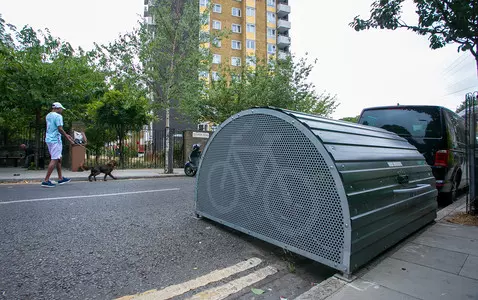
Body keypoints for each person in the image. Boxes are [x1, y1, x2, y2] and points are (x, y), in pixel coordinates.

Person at [41, 102, 75, 188]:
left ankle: (60, 178)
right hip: (55, 140)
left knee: (58, 158)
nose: (62, 110)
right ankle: (46, 180)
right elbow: (60, 128)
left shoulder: (48, 115)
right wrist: (68, 137)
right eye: (61, 109)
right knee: (55, 159)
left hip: (49, 139)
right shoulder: (58, 116)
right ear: (57, 108)